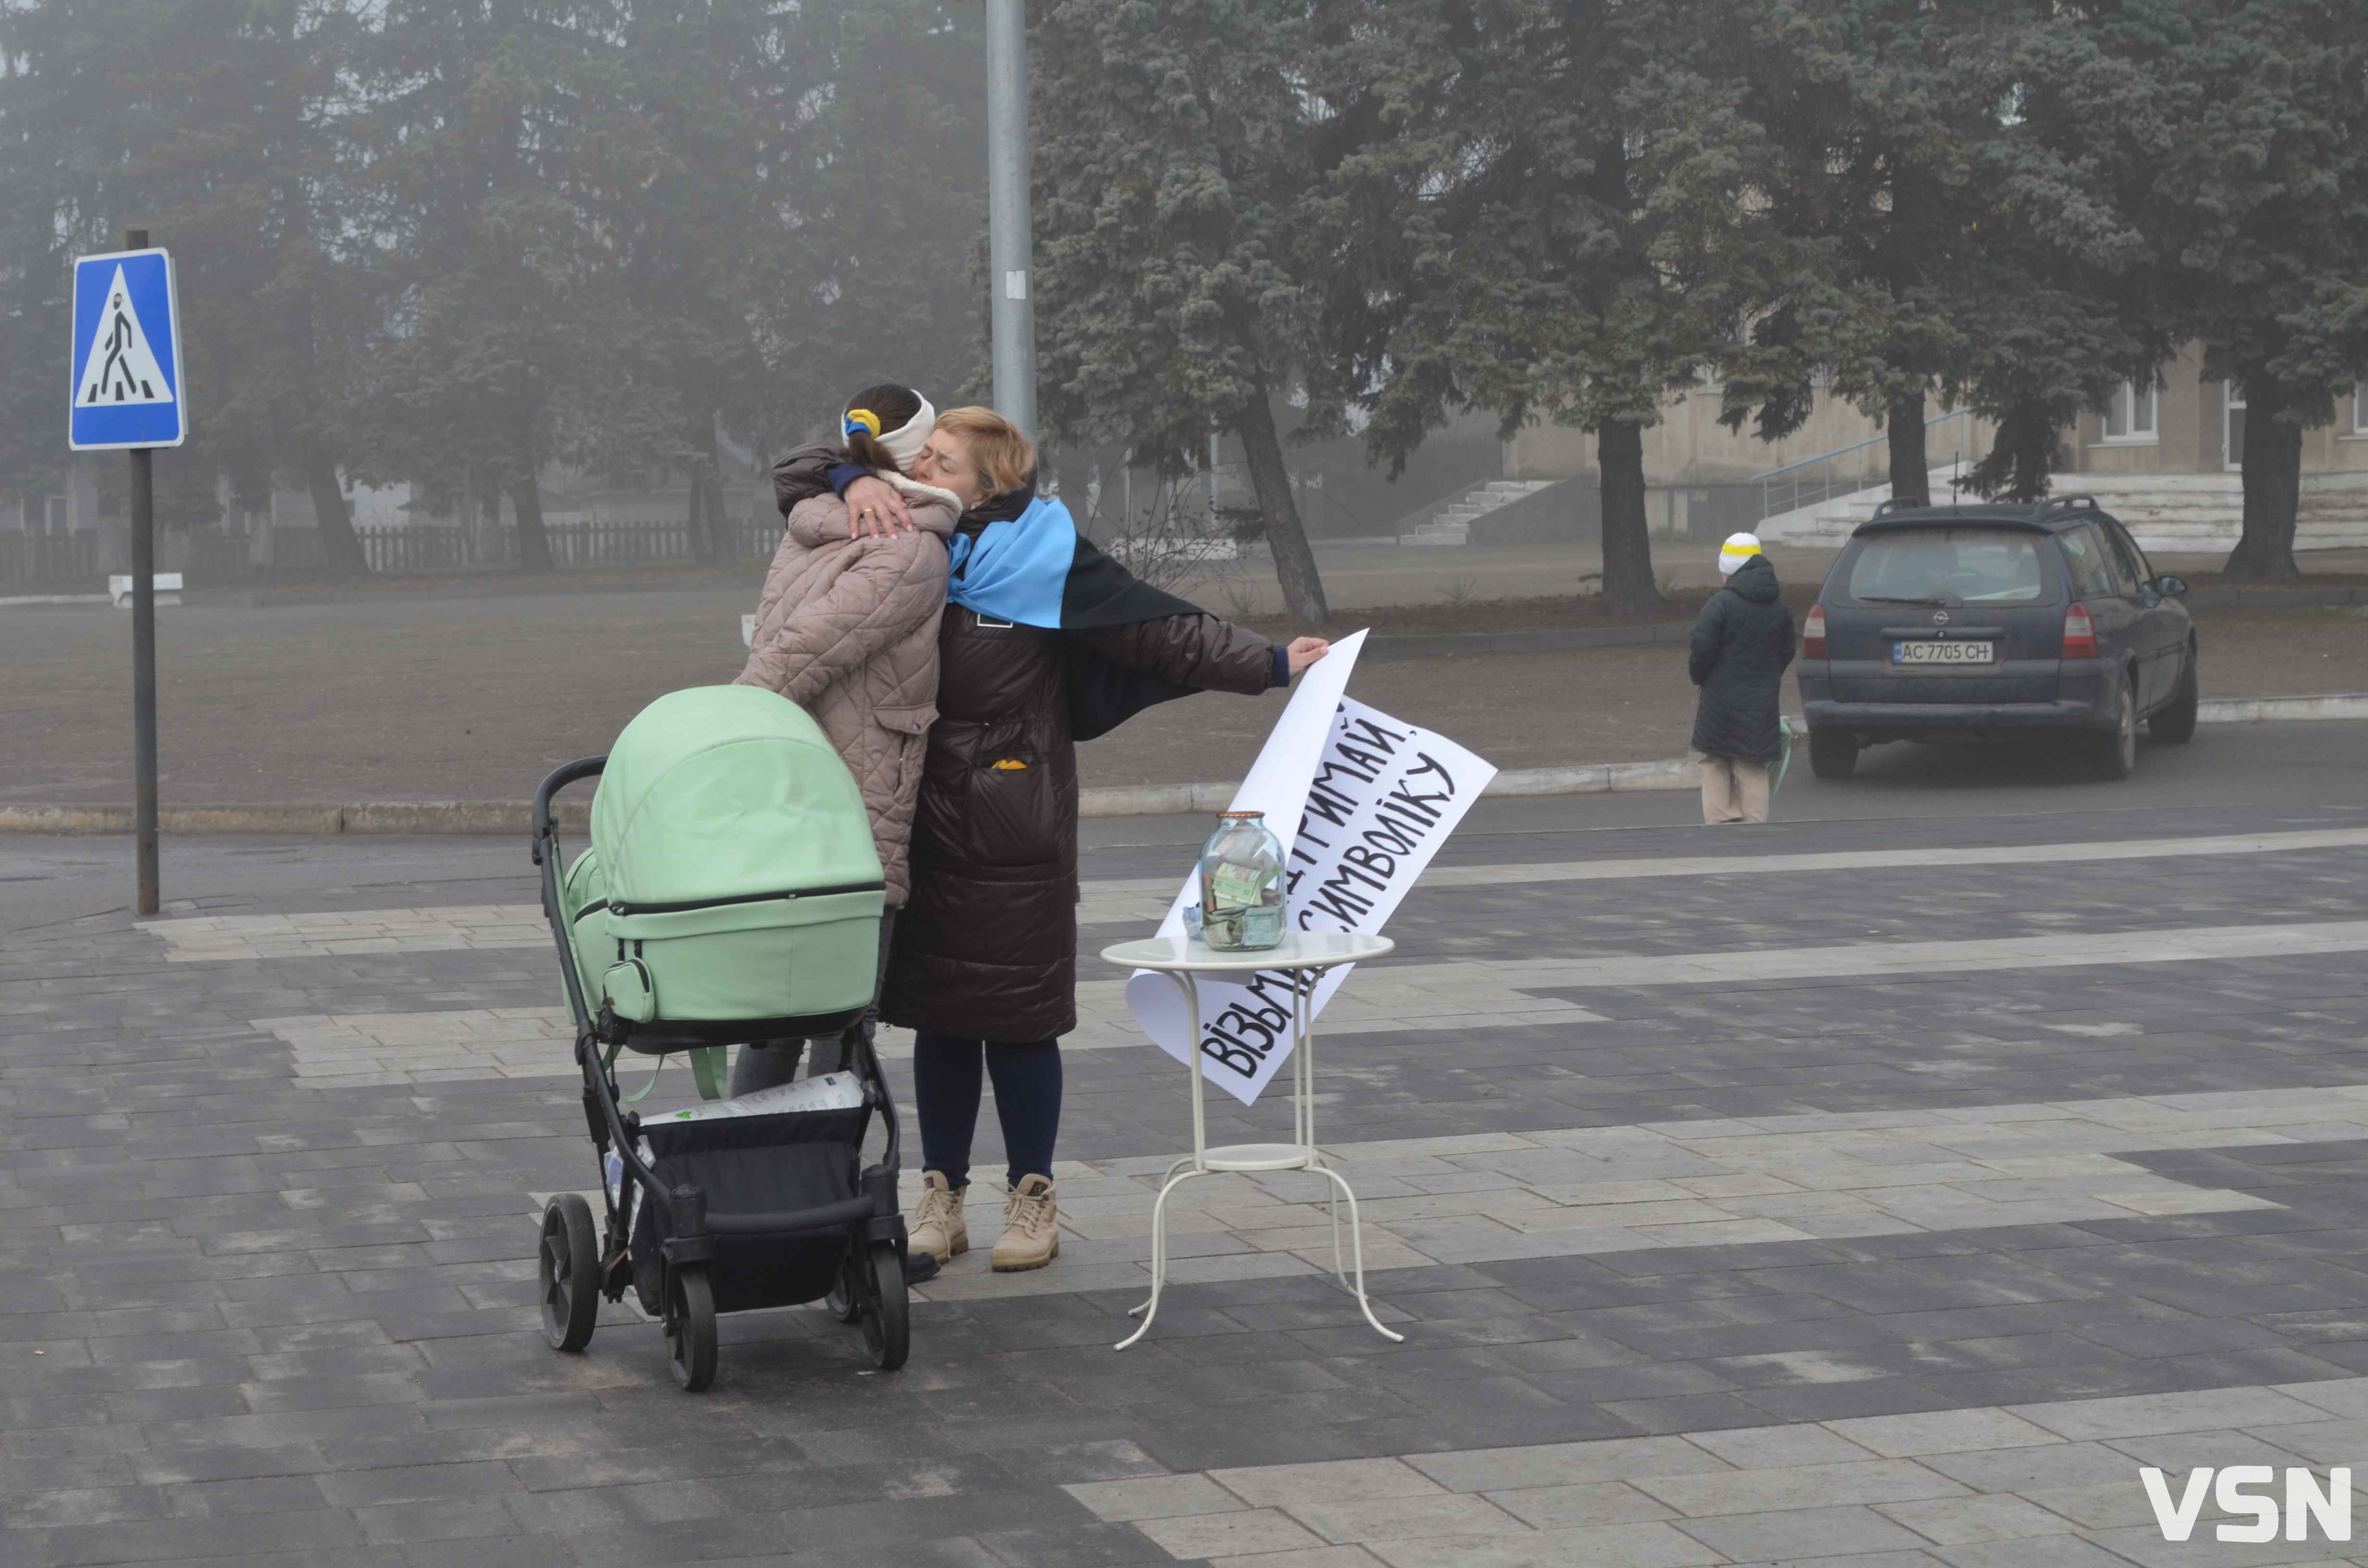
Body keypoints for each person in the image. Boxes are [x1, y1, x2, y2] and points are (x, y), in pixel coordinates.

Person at [774, 408, 1328, 1273]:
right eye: (922, 451)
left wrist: (1268, 663)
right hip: (915, 817)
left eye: (942, 459)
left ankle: (1032, 1195)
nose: (920, 462)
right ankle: (942, 1195)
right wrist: (853, 475)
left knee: (1019, 1020)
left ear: (989, 482)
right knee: (941, 1020)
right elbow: (803, 466)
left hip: (1011, 824)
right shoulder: (913, 533)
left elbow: (1162, 630)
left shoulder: (1045, 556)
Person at [728, 385, 965, 1096]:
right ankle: (828, 1181)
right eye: (927, 450)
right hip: (856, 809)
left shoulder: (814, 518)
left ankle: (749, 1165)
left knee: (775, 1010)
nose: (931, 465)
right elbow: (804, 653)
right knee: (840, 1018)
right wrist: (717, 723)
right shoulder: (914, 549)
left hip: (786, 787)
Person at [1690, 532, 1796, 824]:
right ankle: (1755, 825)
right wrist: (1766, 676)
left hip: (1719, 702)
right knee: (1752, 764)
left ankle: (1722, 822)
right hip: (1761, 702)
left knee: (1715, 761)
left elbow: (1701, 650)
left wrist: (1701, 677)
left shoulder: (1720, 605)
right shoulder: (1780, 609)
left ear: (1729, 570)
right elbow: (1787, 651)